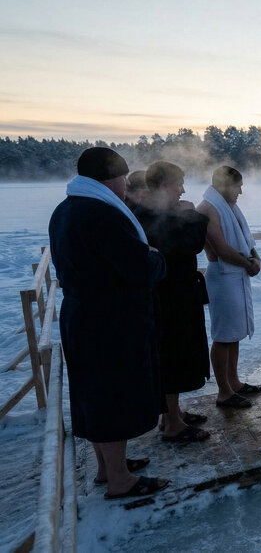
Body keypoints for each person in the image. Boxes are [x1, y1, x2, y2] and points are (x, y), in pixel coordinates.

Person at [48, 147, 169, 499]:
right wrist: (156, 258)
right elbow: (139, 268)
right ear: (111, 177)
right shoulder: (101, 214)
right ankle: (120, 479)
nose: (126, 187)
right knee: (113, 395)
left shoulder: (67, 209)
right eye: (122, 178)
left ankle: (107, 468)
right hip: (109, 322)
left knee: (95, 393)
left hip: (84, 315)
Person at [135, 161, 211, 442]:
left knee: (174, 356)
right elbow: (190, 245)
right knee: (173, 356)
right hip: (169, 298)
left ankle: (171, 414)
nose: (182, 190)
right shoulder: (151, 216)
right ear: (164, 186)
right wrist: (192, 215)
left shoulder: (155, 212)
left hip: (172, 294)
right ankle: (173, 424)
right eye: (178, 184)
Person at [197, 166, 261, 408]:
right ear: (223, 185)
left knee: (233, 334)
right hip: (222, 278)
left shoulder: (230, 208)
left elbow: (247, 240)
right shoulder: (207, 208)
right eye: (237, 186)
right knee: (223, 335)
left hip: (237, 274)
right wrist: (248, 264)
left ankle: (233, 382)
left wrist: (255, 258)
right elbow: (220, 248)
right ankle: (224, 391)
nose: (241, 192)